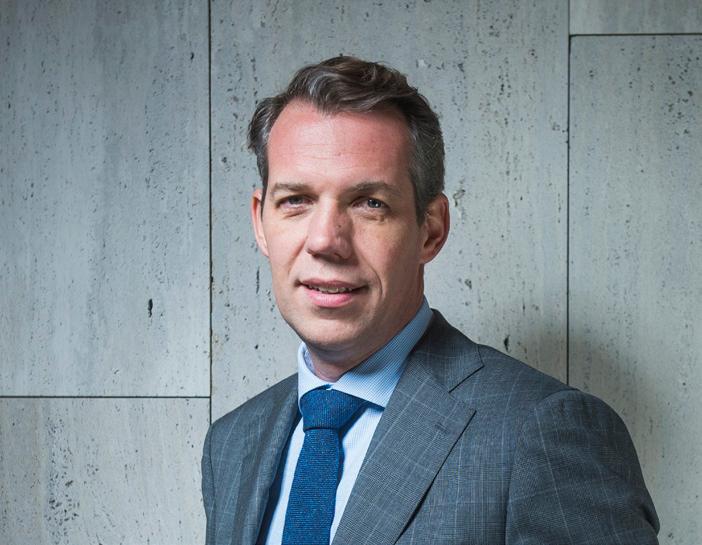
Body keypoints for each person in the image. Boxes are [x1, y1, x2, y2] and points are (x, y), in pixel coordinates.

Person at [201, 56, 659, 545]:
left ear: (431, 229)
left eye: (370, 203)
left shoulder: (542, 430)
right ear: (260, 221)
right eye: (296, 200)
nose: (325, 241)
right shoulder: (232, 445)